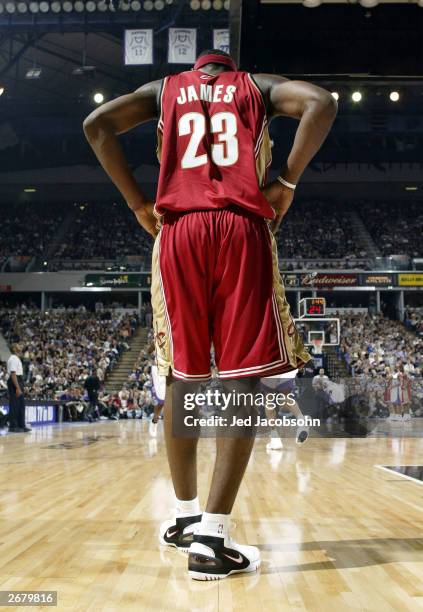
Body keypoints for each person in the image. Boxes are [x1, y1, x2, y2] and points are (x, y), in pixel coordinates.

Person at [84, 49, 337, 580]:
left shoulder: (163, 92)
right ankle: (213, 540)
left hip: (178, 232)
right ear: (229, 70)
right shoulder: (257, 87)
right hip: (240, 229)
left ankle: (184, 518)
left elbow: (97, 125)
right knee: (243, 374)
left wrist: (136, 203)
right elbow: (320, 102)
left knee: (183, 375)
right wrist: (286, 181)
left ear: (197, 71)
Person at [7, 343, 31, 433]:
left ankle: (21, 425)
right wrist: (17, 387)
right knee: (14, 405)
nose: (20, 346)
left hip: (19, 380)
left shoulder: (16, 358)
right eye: (17, 345)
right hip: (15, 381)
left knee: (21, 405)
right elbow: (13, 374)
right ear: (14, 348)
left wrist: (21, 385)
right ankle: (13, 426)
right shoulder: (13, 358)